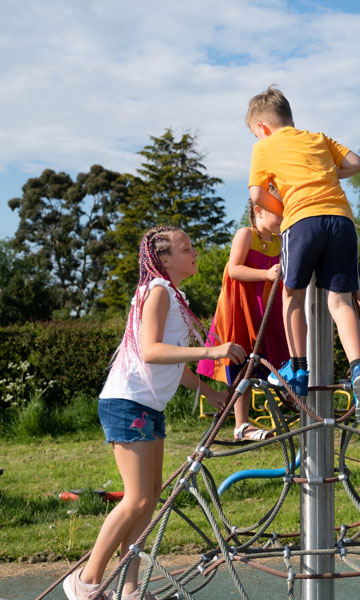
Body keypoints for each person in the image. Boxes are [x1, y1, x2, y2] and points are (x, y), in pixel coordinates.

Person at [63, 226, 246, 600]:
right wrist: (212, 352)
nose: (195, 252)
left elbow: (171, 365)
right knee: (138, 499)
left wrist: (207, 390)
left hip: (145, 405)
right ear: (164, 259)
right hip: (127, 403)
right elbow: (152, 351)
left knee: (147, 501)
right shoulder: (158, 291)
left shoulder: (171, 295)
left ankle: (130, 589)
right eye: (186, 248)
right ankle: (86, 581)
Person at [245, 85, 360, 425]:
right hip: (341, 220)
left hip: (302, 222)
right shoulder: (317, 138)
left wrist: (287, 205)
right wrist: (327, 174)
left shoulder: (264, 146)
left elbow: (258, 194)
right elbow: (357, 164)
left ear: (261, 127)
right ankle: (359, 367)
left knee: (293, 294)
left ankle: (299, 368)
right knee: (341, 301)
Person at [197, 195, 289, 441]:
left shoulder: (281, 240)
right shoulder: (246, 235)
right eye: (278, 212)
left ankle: (291, 401)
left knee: (277, 355)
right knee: (242, 360)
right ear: (259, 212)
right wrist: (266, 273)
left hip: (267, 308)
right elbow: (234, 269)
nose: (283, 217)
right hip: (242, 308)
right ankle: (241, 424)